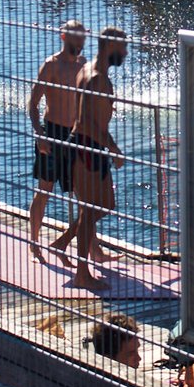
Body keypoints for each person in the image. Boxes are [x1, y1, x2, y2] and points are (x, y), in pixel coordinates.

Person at [68, 27, 127, 292]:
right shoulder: (97, 78)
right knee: (91, 209)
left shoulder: (88, 70)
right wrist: (112, 147)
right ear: (110, 47)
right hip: (86, 148)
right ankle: (82, 274)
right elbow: (84, 121)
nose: (125, 52)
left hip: (91, 146)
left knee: (104, 204)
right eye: (123, 47)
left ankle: (85, 250)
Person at [29, 19, 87, 262]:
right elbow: (33, 104)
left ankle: (90, 249)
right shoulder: (51, 66)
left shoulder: (84, 64)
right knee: (45, 190)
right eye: (76, 36)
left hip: (76, 135)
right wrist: (40, 135)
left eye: (83, 36)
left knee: (85, 195)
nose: (81, 41)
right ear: (64, 38)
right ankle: (34, 243)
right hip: (52, 134)